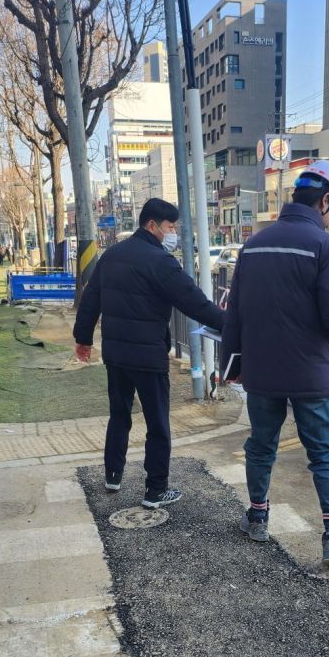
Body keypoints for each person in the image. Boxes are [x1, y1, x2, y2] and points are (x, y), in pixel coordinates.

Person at [220, 160, 329, 569]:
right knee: (324, 453)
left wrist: (233, 366)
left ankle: (258, 517)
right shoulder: (326, 246)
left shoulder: (254, 245)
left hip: (261, 371)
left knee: (261, 445)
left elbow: (236, 314)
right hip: (310, 374)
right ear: (327, 200)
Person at [73, 198, 225, 509]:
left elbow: (91, 299)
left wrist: (83, 339)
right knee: (157, 423)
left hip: (115, 355)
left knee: (120, 414)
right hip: (148, 358)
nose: (173, 233)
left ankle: (113, 475)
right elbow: (193, 302)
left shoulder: (111, 256)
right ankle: (156, 490)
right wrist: (232, 325)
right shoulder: (161, 261)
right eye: (171, 227)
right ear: (152, 225)